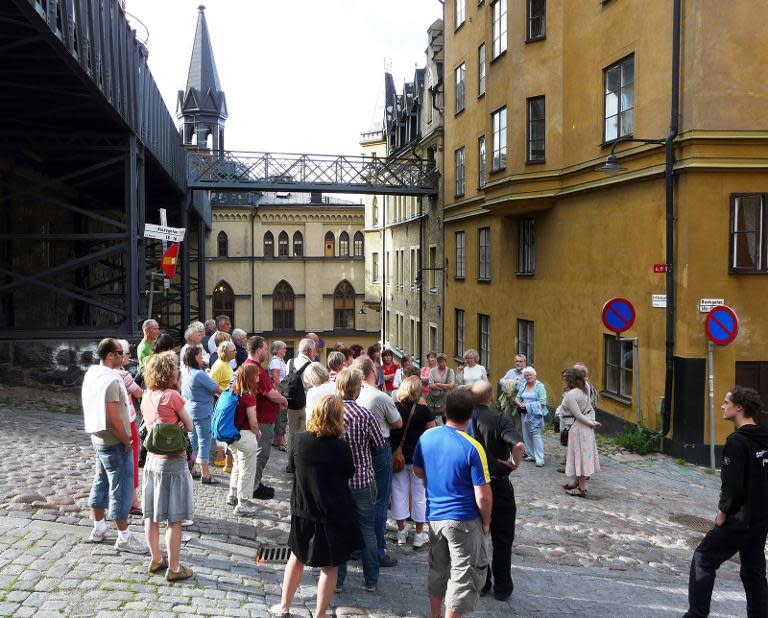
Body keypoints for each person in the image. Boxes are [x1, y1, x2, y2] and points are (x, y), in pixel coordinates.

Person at [270, 395, 363, 618]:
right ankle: (320, 614)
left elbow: (292, 467)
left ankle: (285, 606)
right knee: (330, 566)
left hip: (303, 508)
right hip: (333, 512)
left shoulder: (299, 441)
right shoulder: (341, 447)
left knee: (297, 556)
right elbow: (349, 473)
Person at [685, 387, 768, 618]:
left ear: (739, 407)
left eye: (726, 402)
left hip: (739, 519)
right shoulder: (764, 437)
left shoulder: (737, 442)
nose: (722, 406)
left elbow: (733, 487)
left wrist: (723, 512)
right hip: (760, 519)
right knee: (753, 572)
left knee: (703, 558)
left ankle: (696, 614)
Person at [413, 388, 492, 618]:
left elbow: (418, 471)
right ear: (471, 415)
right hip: (464, 518)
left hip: (435, 516)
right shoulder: (472, 447)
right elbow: (483, 495)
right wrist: (486, 522)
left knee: (437, 569)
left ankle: (435, 614)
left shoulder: (427, 437)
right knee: (462, 574)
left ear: (445, 410)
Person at [82, 338, 147, 554]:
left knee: (101, 481)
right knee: (122, 488)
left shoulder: (93, 373)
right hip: (114, 440)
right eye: (120, 353)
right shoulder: (111, 380)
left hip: (98, 437)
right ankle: (124, 536)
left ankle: (98, 528)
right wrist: (126, 439)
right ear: (110, 355)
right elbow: (113, 417)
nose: (125, 356)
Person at [468, 381, 525, 602]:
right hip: (498, 484)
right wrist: (513, 464)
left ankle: (482, 582)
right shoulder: (499, 419)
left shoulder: (464, 419)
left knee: (477, 536)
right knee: (502, 538)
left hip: (472, 485)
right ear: (491, 398)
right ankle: (502, 586)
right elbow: (518, 446)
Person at [140, 351, 195, 581]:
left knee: (151, 515)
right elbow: (190, 425)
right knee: (175, 518)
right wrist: (180, 424)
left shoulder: (147, 395)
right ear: (169, 373)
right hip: (173, 462)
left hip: (152, 460)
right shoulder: (172, 396)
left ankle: (156, 559)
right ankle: (174, 568)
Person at [335, 367, 386, 593]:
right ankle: (371, 580)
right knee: (367, 529)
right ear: (357, 390)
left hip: (336, 481)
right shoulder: (365, 415)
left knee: (339, 530)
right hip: (363, 478)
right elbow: (379, 444)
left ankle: (337, 581)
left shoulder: (330, 413)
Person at [353, 356, 403, 567]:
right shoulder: (380, 397)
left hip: (355, 446)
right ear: (372, 372)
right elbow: (397, 423)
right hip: (379, 447)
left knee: (357, 497)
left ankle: (356, 547)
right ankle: (377, 551)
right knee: (380, 500)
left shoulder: (352, 393)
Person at [390, 376, 436, 549]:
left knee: (398, 493)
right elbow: (432, 433)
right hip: (418, 458)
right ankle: (418, 534)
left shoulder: (394, 408)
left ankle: (401, 531)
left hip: (398, 457)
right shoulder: (424, 411)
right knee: (419, 496)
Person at [244, 336, 289, 500]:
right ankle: (252, 487)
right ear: (258, 350)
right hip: (261, 419)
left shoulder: (252, 366)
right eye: (264, 348)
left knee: (255, 454)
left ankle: (253, 484)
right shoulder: (254, 368)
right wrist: (283, 400)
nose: (266, 351)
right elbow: (270, 393)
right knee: (261, 454)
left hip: (261, 417)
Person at [180, 346, 221, 484]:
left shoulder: (185, 371)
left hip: (189, 410)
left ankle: (191, 469)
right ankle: (206, 474)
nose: (202, 357)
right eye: (200, 355)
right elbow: (216, 389)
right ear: (196, 356)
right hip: (202, 411)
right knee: (204, 442)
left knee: (192, 442)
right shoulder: (199, 374)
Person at [226, 364, 262, 515]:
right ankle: (242, 504)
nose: (259, 377)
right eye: (257, 375)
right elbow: (252, 421)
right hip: (245, 436)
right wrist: (258, 432)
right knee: (247, 470)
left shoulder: (232, 392)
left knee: (237, 465)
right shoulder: (249, 396)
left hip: (230, 435)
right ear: (251, 377)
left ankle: (232, 494)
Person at [560, 367, 601, 496]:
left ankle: (582, 488)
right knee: (581, 455)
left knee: (580, 457)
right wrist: (592, 422)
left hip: (578, 428)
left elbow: (578, 415)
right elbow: (590, 409)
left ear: (569, 380)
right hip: (585, 428)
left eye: (566, 379)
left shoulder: (571, 394)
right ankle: (575, 482)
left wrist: (592, 424)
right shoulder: (585, 390)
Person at [116, 339, 143, 515]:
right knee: (131, 461)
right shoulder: (123, 375)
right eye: (126, 354)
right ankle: (133, 500)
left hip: (111, 422)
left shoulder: (104, 372)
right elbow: (139, 393)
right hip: (128, 419)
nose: (128, 357)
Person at [285, 338, 316, 455]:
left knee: (292, 432)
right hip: (306, 403)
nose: (315, 353)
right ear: (309, 351)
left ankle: (290, 462)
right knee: (304, 433)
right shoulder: (312, 366)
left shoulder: (290, 362)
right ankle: (301, 462)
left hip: (292, 402)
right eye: (314, 350)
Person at [515, 366, 548, 467]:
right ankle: (530, 455)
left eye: (530, 375)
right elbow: (517, 397)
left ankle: (540, 458)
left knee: (535, 435)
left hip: (536, 414)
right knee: (526, 434)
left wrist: (527, 405)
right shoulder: (523, 385)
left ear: (534, 375)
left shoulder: (540, 386)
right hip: (524, 413)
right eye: (526, 376)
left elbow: (543, 402)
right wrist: (518, 403)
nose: (528, 377)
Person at [268, 340, 289, 452]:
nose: (285, 350)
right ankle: (281, 440)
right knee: (281, 415)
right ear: (277, 350)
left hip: (281, 390)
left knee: (280, 415)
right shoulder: (276, 361)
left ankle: (277, 439)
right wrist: (281, 394)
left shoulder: (280, 361)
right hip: (279, 391)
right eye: (283, 348)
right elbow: (276, 379)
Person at [305, 362, 336, 427]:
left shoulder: (312, 392)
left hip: (320, 427)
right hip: (336, 425)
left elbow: (310, 415)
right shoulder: (336, 386)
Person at [427, 353, 455, 421]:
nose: (441, 363)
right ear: (437, 362)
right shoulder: (432, 371)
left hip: (447, 398)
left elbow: (451, 386)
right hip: (435, 398)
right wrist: (445, 386)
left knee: (446, 416)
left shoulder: (450, 371)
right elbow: (430, 385)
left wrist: (438, 384)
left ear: (446, 361)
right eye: (439, 362)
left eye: (443, 361)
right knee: (434, 416)